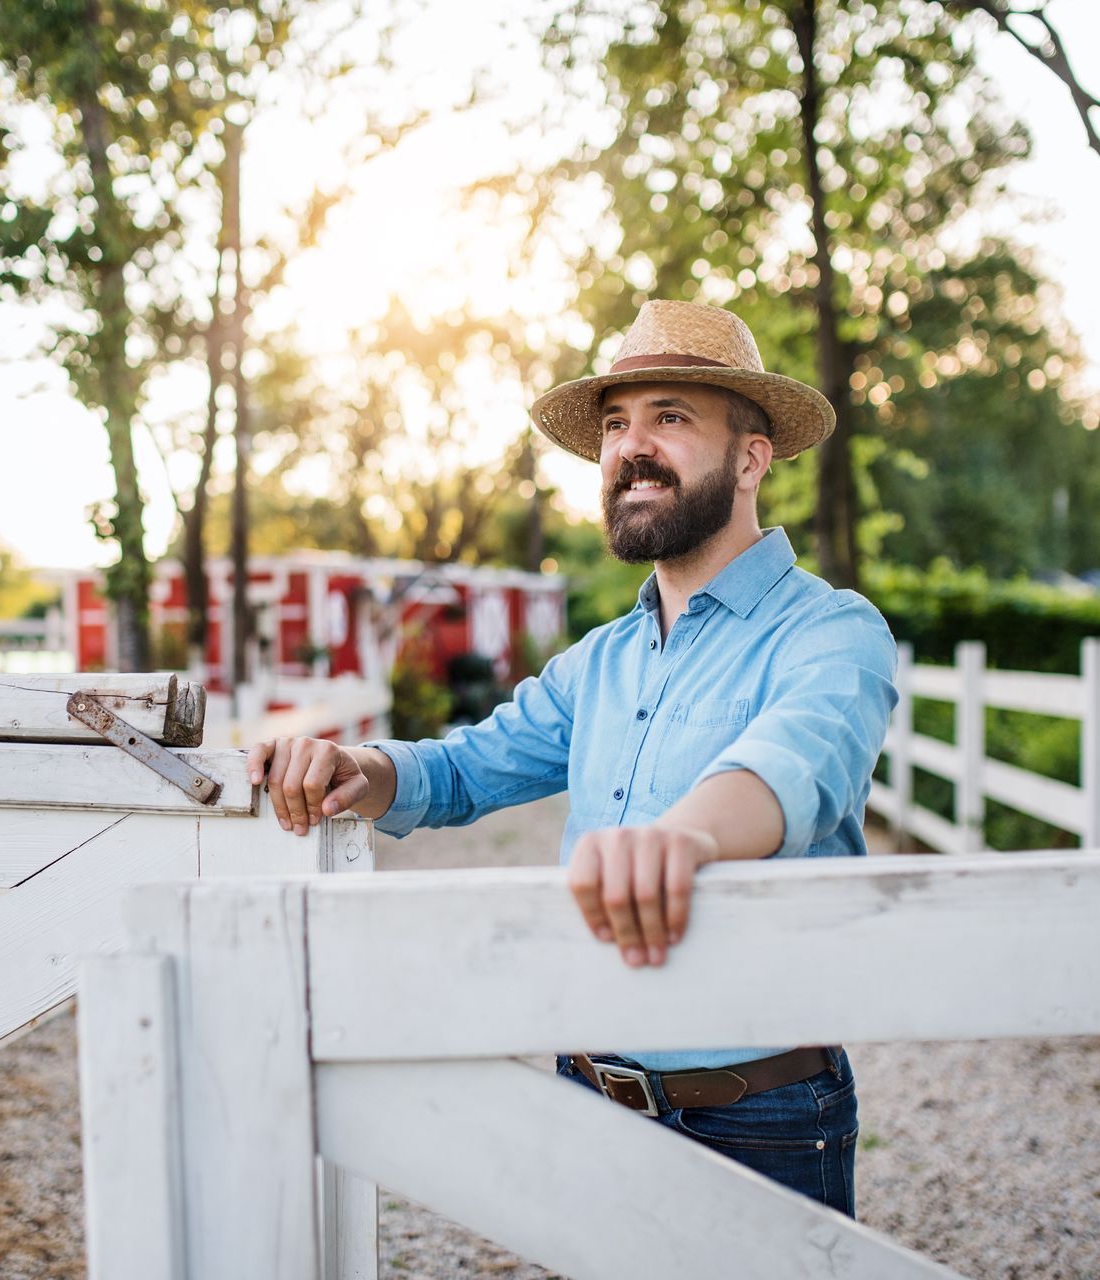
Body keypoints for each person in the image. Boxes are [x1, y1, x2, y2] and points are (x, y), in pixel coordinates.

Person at [246, 299, 898, 1217]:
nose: (632, 447)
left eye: (670, 417)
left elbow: (797, 761)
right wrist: (361, 770)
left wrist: (684, 839)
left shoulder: (830, 630)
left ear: (753, 457)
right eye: (616, 424)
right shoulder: (600, 661)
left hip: (759, 1115)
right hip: (583, 1098)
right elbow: (469, 767)